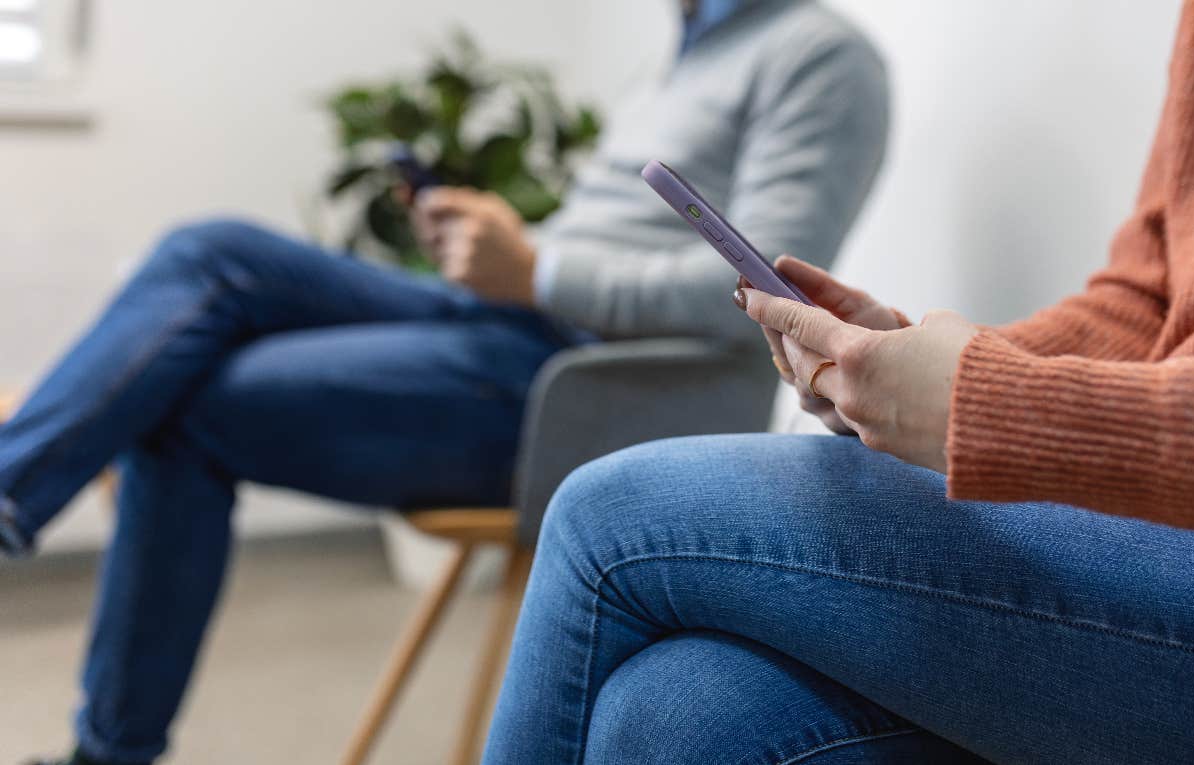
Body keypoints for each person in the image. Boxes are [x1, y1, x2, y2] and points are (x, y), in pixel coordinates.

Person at [2, 2, 889, 763]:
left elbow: (761, 291)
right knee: (212, 252)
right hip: (512, 322)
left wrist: (535, 270)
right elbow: (609, 240)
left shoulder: (820, 56)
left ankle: (103, 749)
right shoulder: (683, 50)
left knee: (180, 402)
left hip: (577, 384)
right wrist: (498, 240)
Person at [482, 1, 1194, 762]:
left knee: (612, 516)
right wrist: (907, 360)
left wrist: (999, 409)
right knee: (680, 710)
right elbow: (1150, 294)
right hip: (1188, 525)